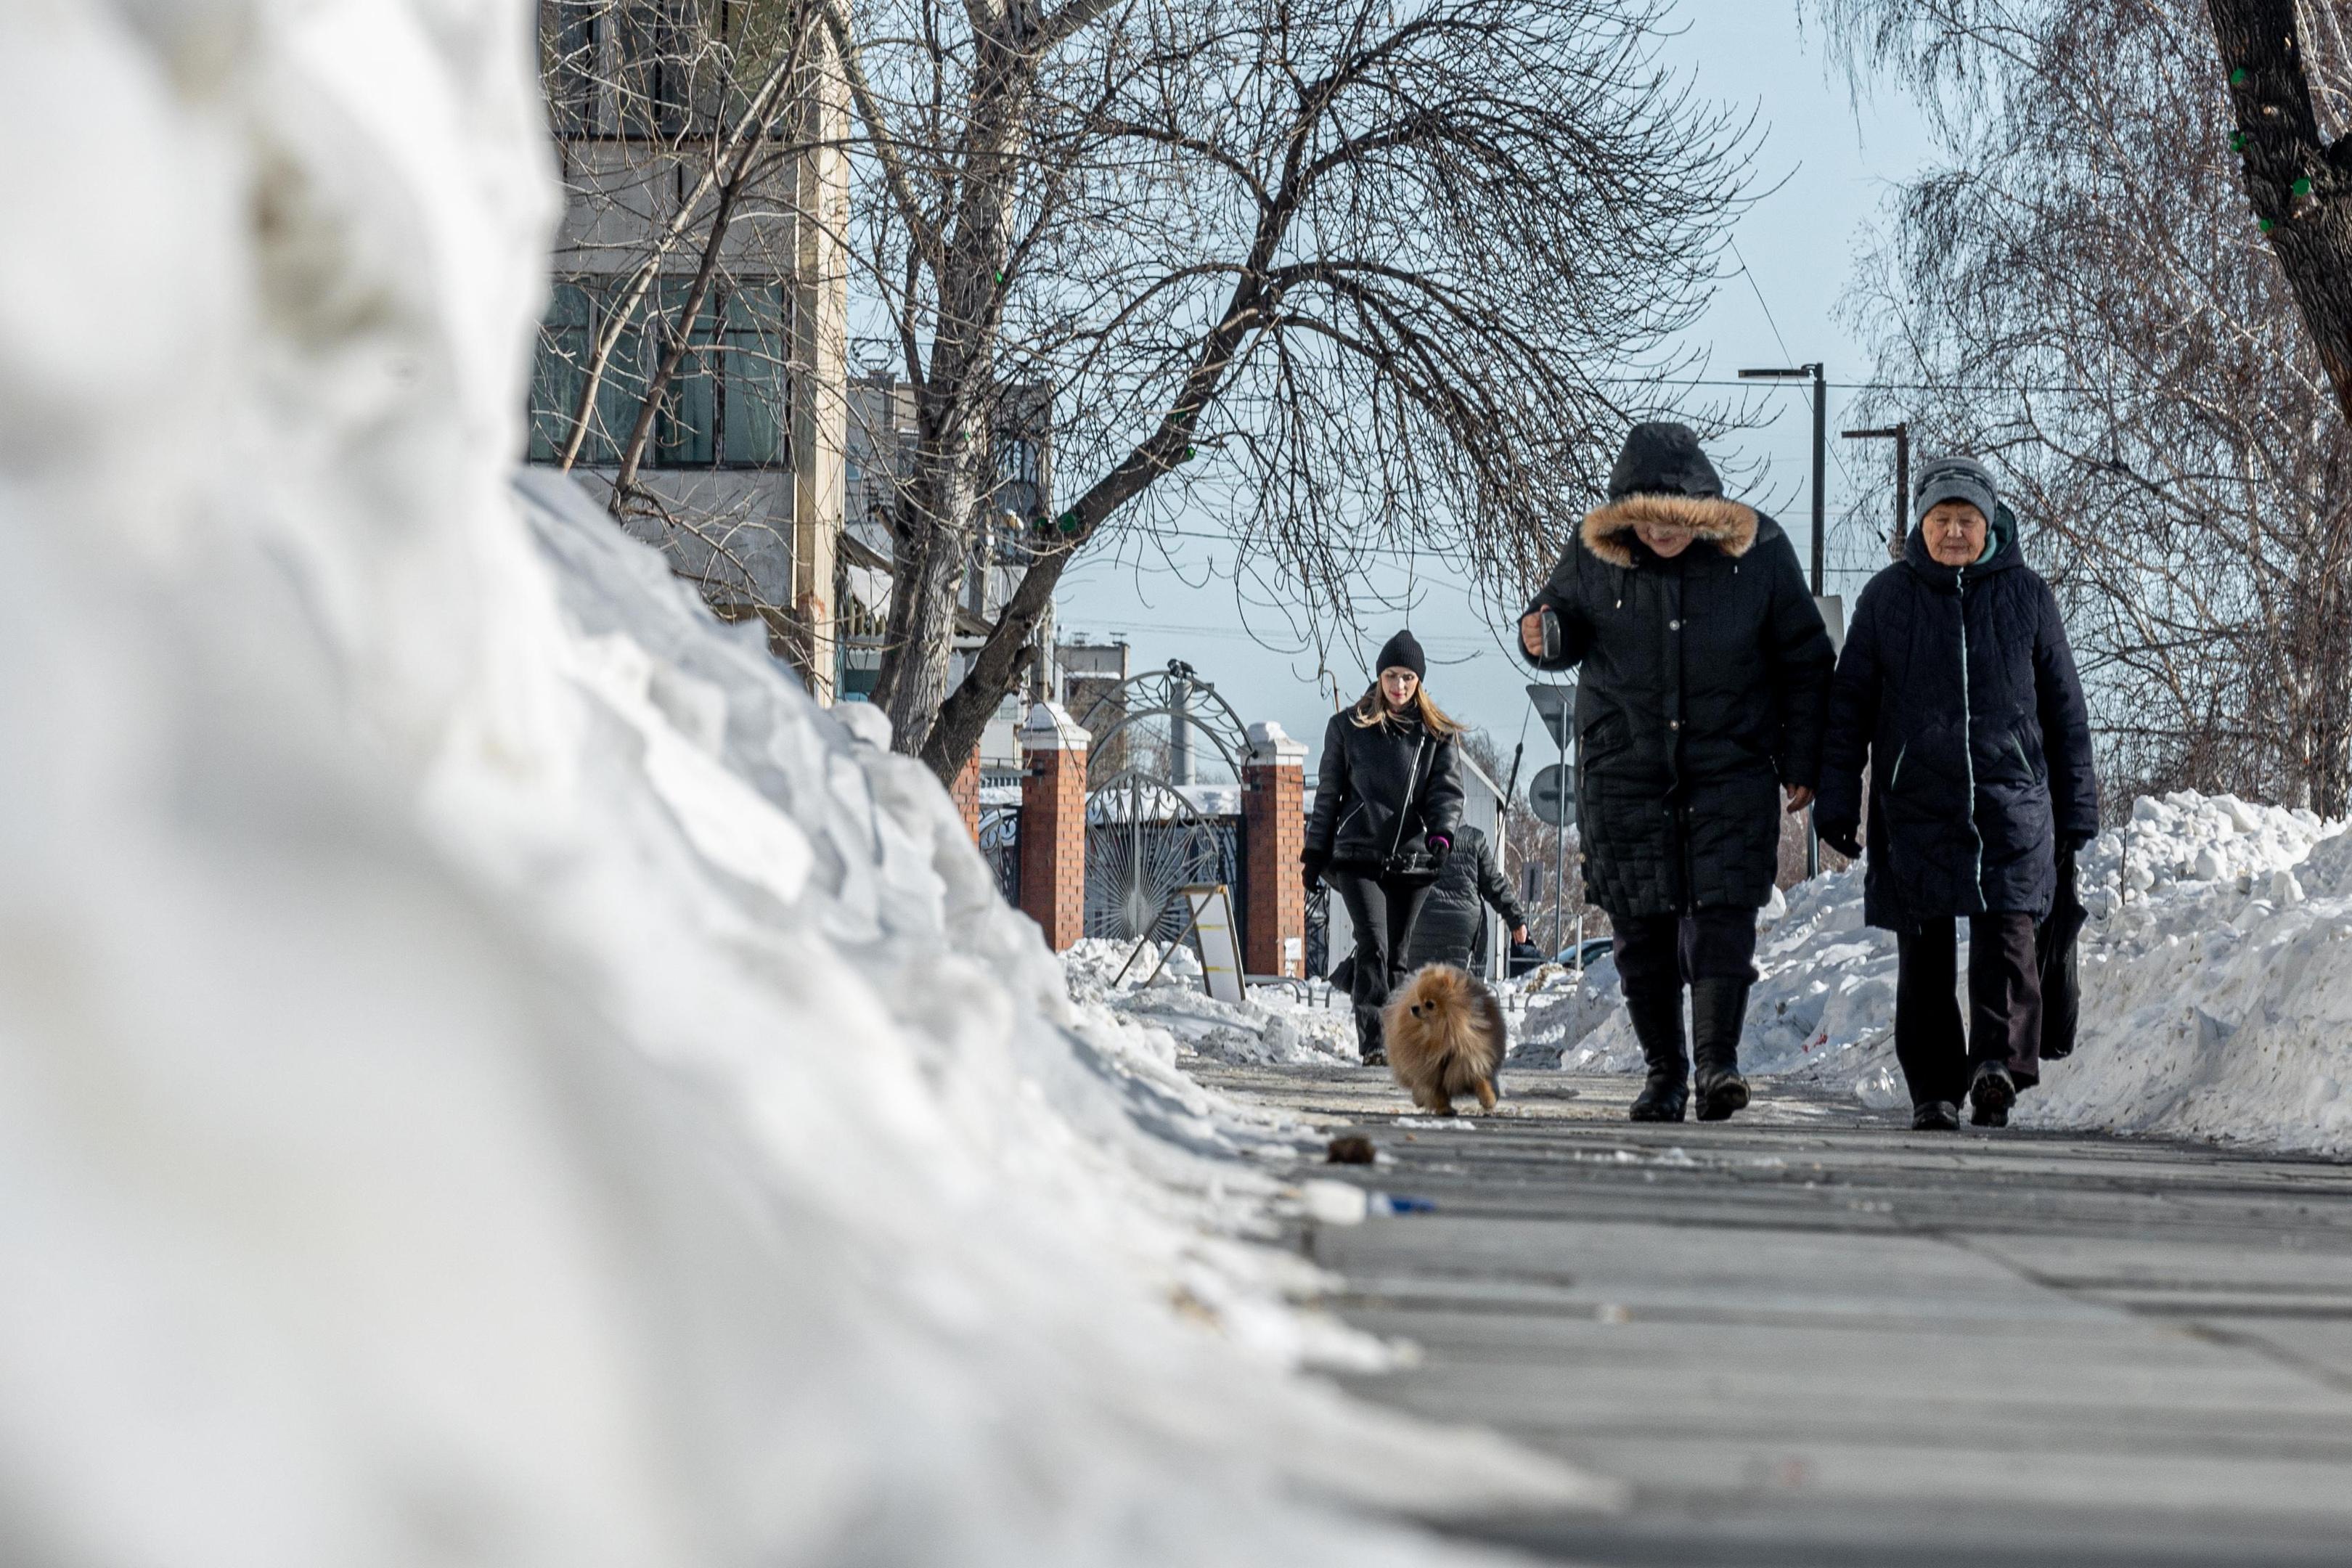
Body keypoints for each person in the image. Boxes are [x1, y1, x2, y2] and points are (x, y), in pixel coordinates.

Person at [1518, 422, 1834, 1122]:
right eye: (1648, 518)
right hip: (1625, 769)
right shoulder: (1596, 553)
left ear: (1703, 510)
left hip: (1731, 765)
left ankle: (1718, 1064)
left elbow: (1807, 661)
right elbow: (1559, 620)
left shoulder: (1760, 551)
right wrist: (1542, 634)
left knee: (1724, 920)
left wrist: (1803, 760)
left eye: (1677, 519)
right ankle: (1665, 1073)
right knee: (1641, 931)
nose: (1662, 532)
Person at [1815, 456, 2098, 1132]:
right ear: (1921, 523)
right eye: (1940, 520)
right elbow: (1849, 705)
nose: (1952, 533)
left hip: (2012, 800)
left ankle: (1994, 1069)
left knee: (2009, 939)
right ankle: (1934, 1091)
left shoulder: (2028, 595)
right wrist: (1835, 799)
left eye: (1965, 520)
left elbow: (2065, 708)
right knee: (1926, 952)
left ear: (1988, 522)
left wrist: (2077, 805)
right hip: (1917, 802)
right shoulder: (1887, 598)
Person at [1303, 631, 1466, 1064]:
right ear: (1379, 678)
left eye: (1408, 678)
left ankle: (1396, 1039)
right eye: (1392, 676)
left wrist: (1441, 836)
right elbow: (1328, 796)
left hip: (1413, 861)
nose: (1399, 686)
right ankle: (1374, 1043)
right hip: (1358, 856)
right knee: (1373, 942)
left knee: (1396, 955)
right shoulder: (1348, 728)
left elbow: (1446, 795)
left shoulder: (1437, 735)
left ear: (1419, 683)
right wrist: (1314, 854)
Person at [1402, 823, 1532, 977]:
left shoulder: (1409, 835)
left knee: (1420, 989)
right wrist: (1516, 919)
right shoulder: (1474, 838)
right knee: (1461, 990)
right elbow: (1493, 883)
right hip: (1464, 925)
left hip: (1421, 923)